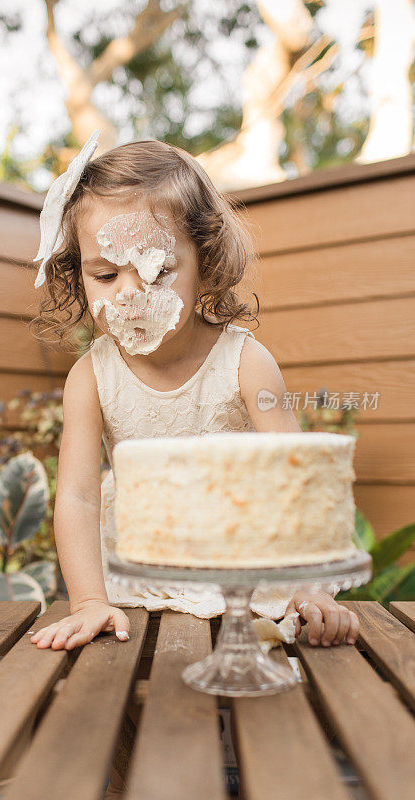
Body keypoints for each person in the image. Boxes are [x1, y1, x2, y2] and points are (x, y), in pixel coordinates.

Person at [28, 132, 359, 654]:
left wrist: (311, 591)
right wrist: (89, 600)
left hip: (243, 574)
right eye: (106, 274)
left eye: (156, 269)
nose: (129, 292)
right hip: (139, 579)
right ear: (80, 276)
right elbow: (77, 495)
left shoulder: (245, 362)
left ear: (204, 262)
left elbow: (297, 478)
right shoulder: (89, 379)